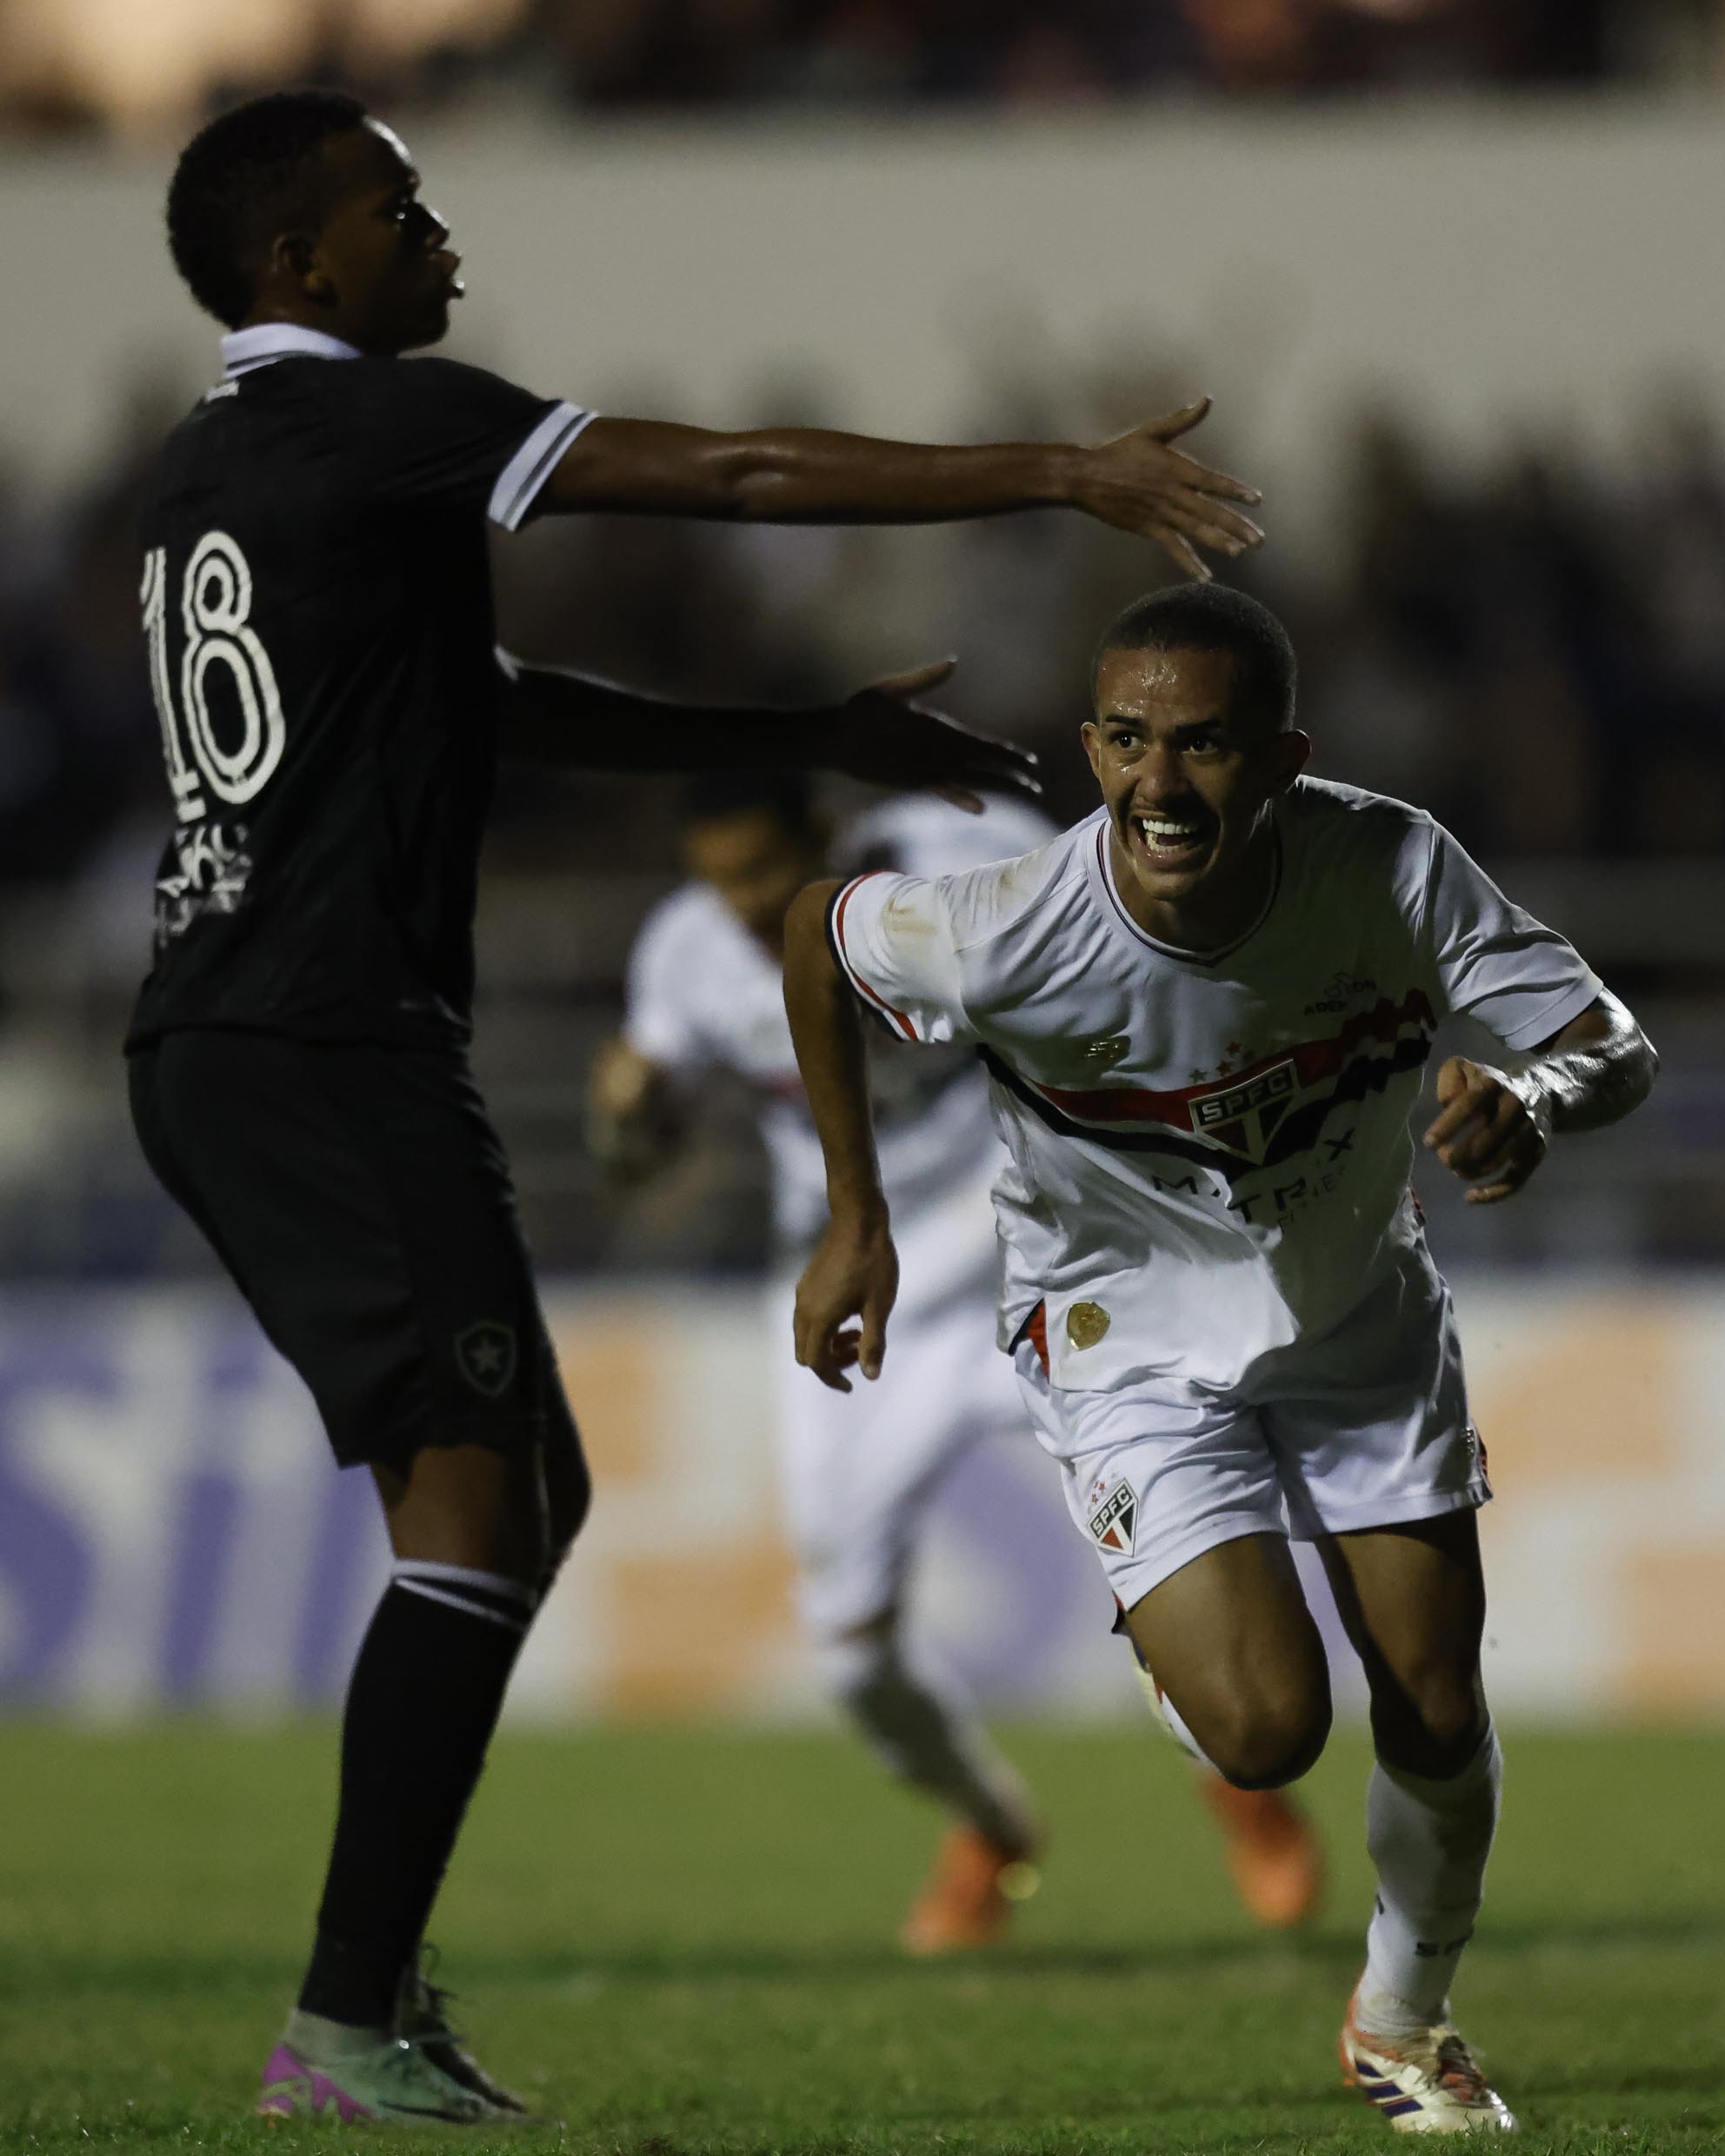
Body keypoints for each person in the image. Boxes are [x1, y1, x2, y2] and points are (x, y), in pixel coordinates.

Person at [124, 86, 1266, 2128]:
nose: (438, 228)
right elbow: (728, 466)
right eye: (401, 206)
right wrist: (1057, 473)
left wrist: (803, 729)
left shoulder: (215, 468)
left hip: (252, 1036)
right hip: (315, 1037)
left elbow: (484, 707)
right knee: (477, 1515)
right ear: (302, 265)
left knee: (519, 1498)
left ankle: (366, 1991)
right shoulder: (389, 426)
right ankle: (344, 2019)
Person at [783, 582, 1657, 2134]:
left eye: (1203, 745)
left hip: (1358, 1322)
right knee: (1265, 1733)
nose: (1160, 783)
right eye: (1127, 741)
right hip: (1124, 1350)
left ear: (1284, 755)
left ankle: (1406, 2024)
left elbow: (1607, 1039)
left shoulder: (1389, 865)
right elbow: (816, 934)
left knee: (1438, 1706)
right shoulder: (1002, 931)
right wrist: (855, 1214)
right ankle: (1180, 1632)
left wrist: (1534, 1101)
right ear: (1091, 746)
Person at [593, 775, 1326, 1953]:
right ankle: (991, 1826)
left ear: (825, 831)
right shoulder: (686, 951)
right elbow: (640, 1122)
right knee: (852, 1653)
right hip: (869, 1303)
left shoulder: (961, 859)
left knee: (1161, 1550)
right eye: (717, 879)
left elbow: (1119, 978)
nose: (738, 905)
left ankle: (1240, 1775)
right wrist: (627, 1115)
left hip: (1043, 1257)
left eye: (760, 875)